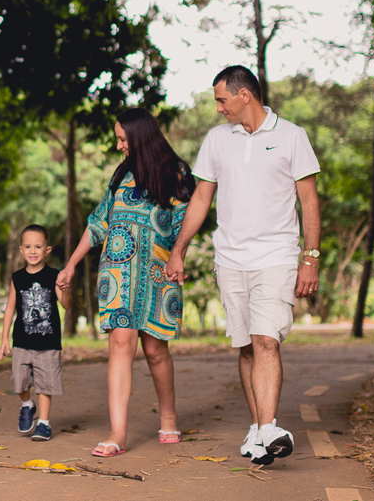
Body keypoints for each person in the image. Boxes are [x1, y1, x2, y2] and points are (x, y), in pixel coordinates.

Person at [163, 65, 321, 466]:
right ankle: (258, 429)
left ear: (244, 95)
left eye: (221, 100)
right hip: (230, 258)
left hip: (277, 255)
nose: (218, 109)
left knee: (266, 339)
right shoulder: (217, 140)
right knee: (248, 345)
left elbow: (309, 202)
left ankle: (267, 428)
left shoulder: (292, 136)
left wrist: (311, 258)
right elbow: (201, 199)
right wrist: (179, 248)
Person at [57, 108, 195, 457]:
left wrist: (180, 256)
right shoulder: (121, 176)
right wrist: (72, 263)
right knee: (121, 344)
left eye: (123, 138)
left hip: (157, 274)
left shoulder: (177, 174)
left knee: (154, 350)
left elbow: (186, 222)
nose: (119, 145)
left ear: (140, 137)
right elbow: (99, 222)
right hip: (117, 272)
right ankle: (117, 432)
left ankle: (168, 416)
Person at [0, 225, 73, 442]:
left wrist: (65, 288)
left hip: (48, 343)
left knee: (45, 384)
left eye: (38, 246)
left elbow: (66, 305)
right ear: (21, 249)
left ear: (47, 250)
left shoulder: (53, 276)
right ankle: (27, 405)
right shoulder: (17, 277)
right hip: (21, 342)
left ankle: (44, 424)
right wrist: (4, 338)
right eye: (28, 246)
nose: (33, 251)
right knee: (19, 382)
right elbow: (10, 308)